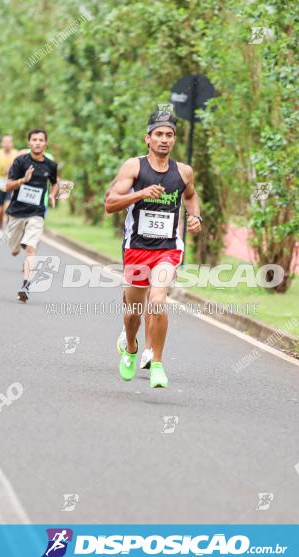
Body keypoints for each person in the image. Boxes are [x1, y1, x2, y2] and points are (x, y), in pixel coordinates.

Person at [104, 110, 203, 389]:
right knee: (134, 310)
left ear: (174, 140)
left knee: (158, 300)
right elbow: (110, 203)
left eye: (169, 135)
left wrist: (195, 217)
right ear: (148, 138)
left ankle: (157, 363)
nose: (164, 139)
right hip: (136, 247)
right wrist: (140, 193)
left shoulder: (183, 172)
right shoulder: (134, 168)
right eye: (158, 134)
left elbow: (191, 197)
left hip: (167, 248)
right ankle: (132, 347)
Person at [4, 129, 59, 302]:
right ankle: (19, 241)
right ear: (29, 143)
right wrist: (22, 180)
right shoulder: (20, 161)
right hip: (17, 211)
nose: (37, 142)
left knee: (31, 249)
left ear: (45, 143)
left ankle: (26, 285)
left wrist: (52, 194)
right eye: (34, 140)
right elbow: (7, 186)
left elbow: (55, 183)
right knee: (13, 250)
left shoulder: (51, 165)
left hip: (37, 212)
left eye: (41, 140)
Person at [0, 134, 19, 240]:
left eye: (9, 142)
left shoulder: (16, 154)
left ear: (12, 143)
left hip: (11, 185)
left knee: (8, 207)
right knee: (0, 210)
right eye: (5, 142)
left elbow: (21, 169)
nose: (7, 144)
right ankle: (0, 229)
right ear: (2, 143)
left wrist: (12, 170)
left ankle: (9, 229)